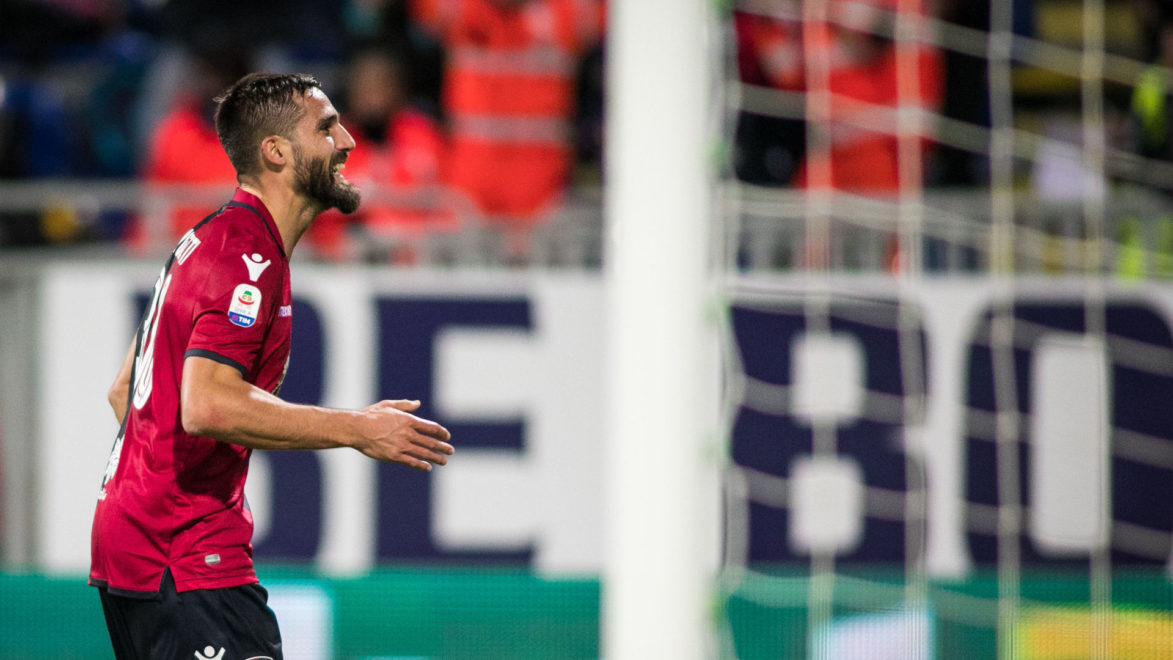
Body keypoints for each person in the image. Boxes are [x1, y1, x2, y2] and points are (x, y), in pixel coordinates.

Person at [89, 72, 454, 660]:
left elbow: (125, 389)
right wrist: (358, 429)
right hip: (185, 560)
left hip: (141, 548)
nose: (348, 142)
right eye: (327, 127)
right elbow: (207, 405)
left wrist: (163, 489)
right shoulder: (244, 257)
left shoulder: (210, 239)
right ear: (277, 151)